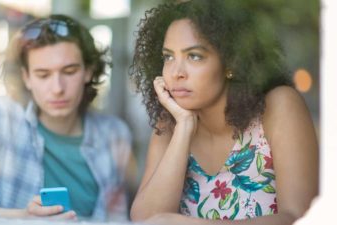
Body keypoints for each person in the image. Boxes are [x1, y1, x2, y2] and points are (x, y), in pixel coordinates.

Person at [129, 0, 318, 224]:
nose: (176, 72)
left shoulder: (279, 106)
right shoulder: (170, 121)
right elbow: (146, 219)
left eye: (194, 56)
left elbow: (302, 218)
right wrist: (184, 127)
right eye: (168, 57)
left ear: (232, 62)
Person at [0, 14, 133, 221]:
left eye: (69, 71)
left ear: (88, 71)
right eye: (43, 75)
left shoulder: (114, 134)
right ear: (26, 77)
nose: (57, 89)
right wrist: (23, 217)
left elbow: (116, 218)